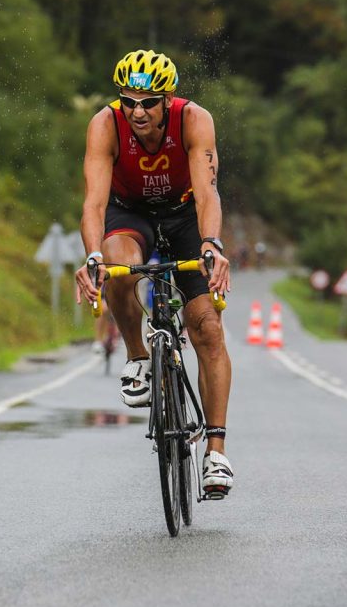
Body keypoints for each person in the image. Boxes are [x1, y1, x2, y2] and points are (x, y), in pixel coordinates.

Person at [74, 49, 234, 497]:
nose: (138, 111)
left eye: (148, 101)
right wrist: (92, 258)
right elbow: (94, 203)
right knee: (117, 264)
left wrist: (211, 245)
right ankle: (138, 358)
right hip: (130, 213)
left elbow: (208, 194)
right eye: (130, 101)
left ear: (167, 99)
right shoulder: (105, 125)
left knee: (207, 328)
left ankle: (216, 452)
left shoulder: (194, 120)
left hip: (184, 214)